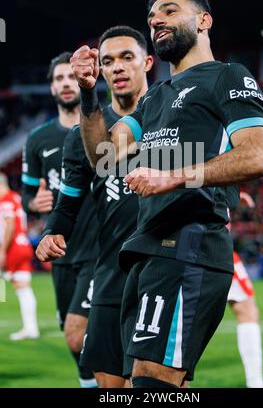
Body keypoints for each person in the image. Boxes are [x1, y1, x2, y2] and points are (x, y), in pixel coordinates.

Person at [72, 0, 263, 388]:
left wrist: (176, 175)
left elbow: (256, 156)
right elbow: (102, 156)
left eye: (169, 11)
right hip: (146, 251)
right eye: (151, 17)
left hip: (190, 247)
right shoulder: (155, 97)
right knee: (147, 385)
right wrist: (89, 96)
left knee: (152, 383)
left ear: (203, 20)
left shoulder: (227, 76)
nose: (156, 20)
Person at [36, 26, 153, 388]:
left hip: (158, 270)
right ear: (99, 71)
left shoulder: (172, 120)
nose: (117, 67)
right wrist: (52, 231)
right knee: (109, 386)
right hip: (109, 272)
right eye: (108, 61)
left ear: (148, 62)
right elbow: (68, 203)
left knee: (150, 385)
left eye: (126, 57)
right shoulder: (80, 137)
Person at [22, 52, 98, 388]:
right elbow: (27, 197)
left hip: (100, 250)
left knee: (77, 332)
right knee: (72, 337)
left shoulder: (102, 130)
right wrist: (33, 203)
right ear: (51, 87)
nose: (66, 83)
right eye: (58, 79)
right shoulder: (38, 140)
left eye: (71, 76)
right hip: (62, 253)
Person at [227, 191, 263, 388]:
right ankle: (255, 383)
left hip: (192, 242)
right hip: (213, 245)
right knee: (247, 311)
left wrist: (232, 195)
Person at [0, 172, 39, 340]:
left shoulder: (6, 200)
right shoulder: (16, 197)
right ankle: (31, 327)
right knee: (23, 288)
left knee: (16, 286)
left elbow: (9, 225)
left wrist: (2, 250)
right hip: (23, 244)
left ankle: (30, 328)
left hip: (12, 248)